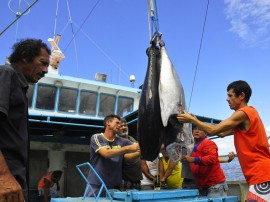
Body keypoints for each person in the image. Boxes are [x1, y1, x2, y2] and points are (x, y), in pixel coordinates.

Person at [177, 80, 270, 201]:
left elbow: (214, 130)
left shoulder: (244, 113)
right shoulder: (247, 117)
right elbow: (221, 133)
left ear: (241, 96)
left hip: (261, 173)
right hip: (259, 174)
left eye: (230, 95)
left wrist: (193, 121)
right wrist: (195, 119)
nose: (227, 99)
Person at [0, 39, 50, 202]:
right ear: (24, 57)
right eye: (42, 63)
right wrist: (4, 176)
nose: (45, 70)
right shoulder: (7, 74)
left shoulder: (21, 88)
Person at [86, 114, 140, 197]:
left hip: (115, 186)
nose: (119, 125)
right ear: (108, 123)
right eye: (117, 123)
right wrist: (128, 148)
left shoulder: (122, 141)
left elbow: (136, 148)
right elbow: (106, 154)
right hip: (97, 185)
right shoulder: (97, 137)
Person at [181, 125, 228, 197]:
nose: (196, 131)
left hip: (215, 185)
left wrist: (193, 159)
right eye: (195, 129)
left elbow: (212, 158)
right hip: (202, 186)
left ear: (206, 133)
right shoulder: (191, 147)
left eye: (200, 129)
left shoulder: (208, 143)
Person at [119, 119, 142, 190]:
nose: (123, 127)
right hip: (125, 180)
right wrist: (138, 153)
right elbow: (123, 157)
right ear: (117, 129)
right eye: (121, 126)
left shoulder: (132, 139)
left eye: (125, 125)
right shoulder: (117, 141)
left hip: (137, 179)